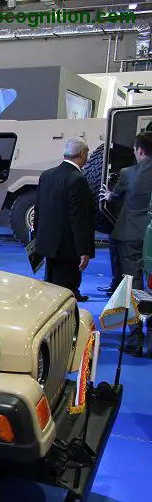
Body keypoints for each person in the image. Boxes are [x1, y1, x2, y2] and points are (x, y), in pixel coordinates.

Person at [102, 132, 152, 356]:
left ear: (139, 150)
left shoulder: (128, 173)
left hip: (130, 236)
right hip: (150, 236)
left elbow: (113, 197)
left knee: (132, 286)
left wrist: (108, 195)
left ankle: (135, 338)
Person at [33, 137, 94, 301]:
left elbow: (38, 208)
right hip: (67, 245)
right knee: (65, 286)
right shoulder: (77, 179)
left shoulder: (46, 175)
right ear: (82, 153)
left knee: (51, 279)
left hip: (47, 241)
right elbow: (78, 218)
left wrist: (36, 237)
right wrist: (83, 250)